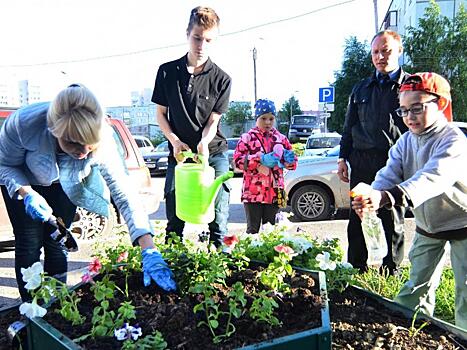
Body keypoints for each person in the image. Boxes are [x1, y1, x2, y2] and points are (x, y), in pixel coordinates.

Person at [0, 84, 176, 301]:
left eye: (89, 145)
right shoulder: (24, 124)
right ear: (54, 130)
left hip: (63, 184)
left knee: (57, 242)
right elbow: (4, 165)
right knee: (28, 241)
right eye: (73, 143)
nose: (83, 153)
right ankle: (32, 309)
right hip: (23, 180)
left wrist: (148, 248)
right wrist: (26, 193)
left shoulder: (104, 136)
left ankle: (57, 303)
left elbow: (124, 192)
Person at [351, 72, 467, 329]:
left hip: (463, 224)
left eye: (417, 108)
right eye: (403, 111)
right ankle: (407, 331)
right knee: (416, 287)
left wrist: (387, 197)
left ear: (442, 105)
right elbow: (388, 173)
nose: (409, 117)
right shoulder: (405, 141)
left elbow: (432, 178)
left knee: (466, 292)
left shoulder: (453, 140)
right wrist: (372, 196)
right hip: (430, 227)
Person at [151, 6, 232, 243]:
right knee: (175, 217)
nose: (201, 45)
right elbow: (161, 115)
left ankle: (221, 267)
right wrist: (175, 141)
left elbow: (213, 121)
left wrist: (204, 142)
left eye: (208, 40)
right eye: (197, 38)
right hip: (179, 155)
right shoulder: (167, 72)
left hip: (213, 154)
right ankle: (171, 269)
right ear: (188, 33)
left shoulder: (222, 79)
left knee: (219, 218)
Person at [337, 30, 410, 274]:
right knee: (358, 216)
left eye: (386, 50)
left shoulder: (409, 87)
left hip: (394, 161)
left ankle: (391, 270)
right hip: (363, 161)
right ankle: (356, 268)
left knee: (392, 217)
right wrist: (342, 158)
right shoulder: (361, 89)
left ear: (399, 51)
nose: (380, 56)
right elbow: (349, 127)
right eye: (376, 52)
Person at [233, 99, 297, 233]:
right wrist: (259, 159)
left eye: (271, 118)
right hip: (253, 193)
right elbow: (238, 161)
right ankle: (251, 254)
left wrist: (289, 161)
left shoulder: (281, 138)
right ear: (256, 118)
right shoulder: (247, 138)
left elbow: (292, 164)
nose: (267, 122)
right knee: (252, 230)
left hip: (274, 192)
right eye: (263, 118)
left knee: (271, 231)